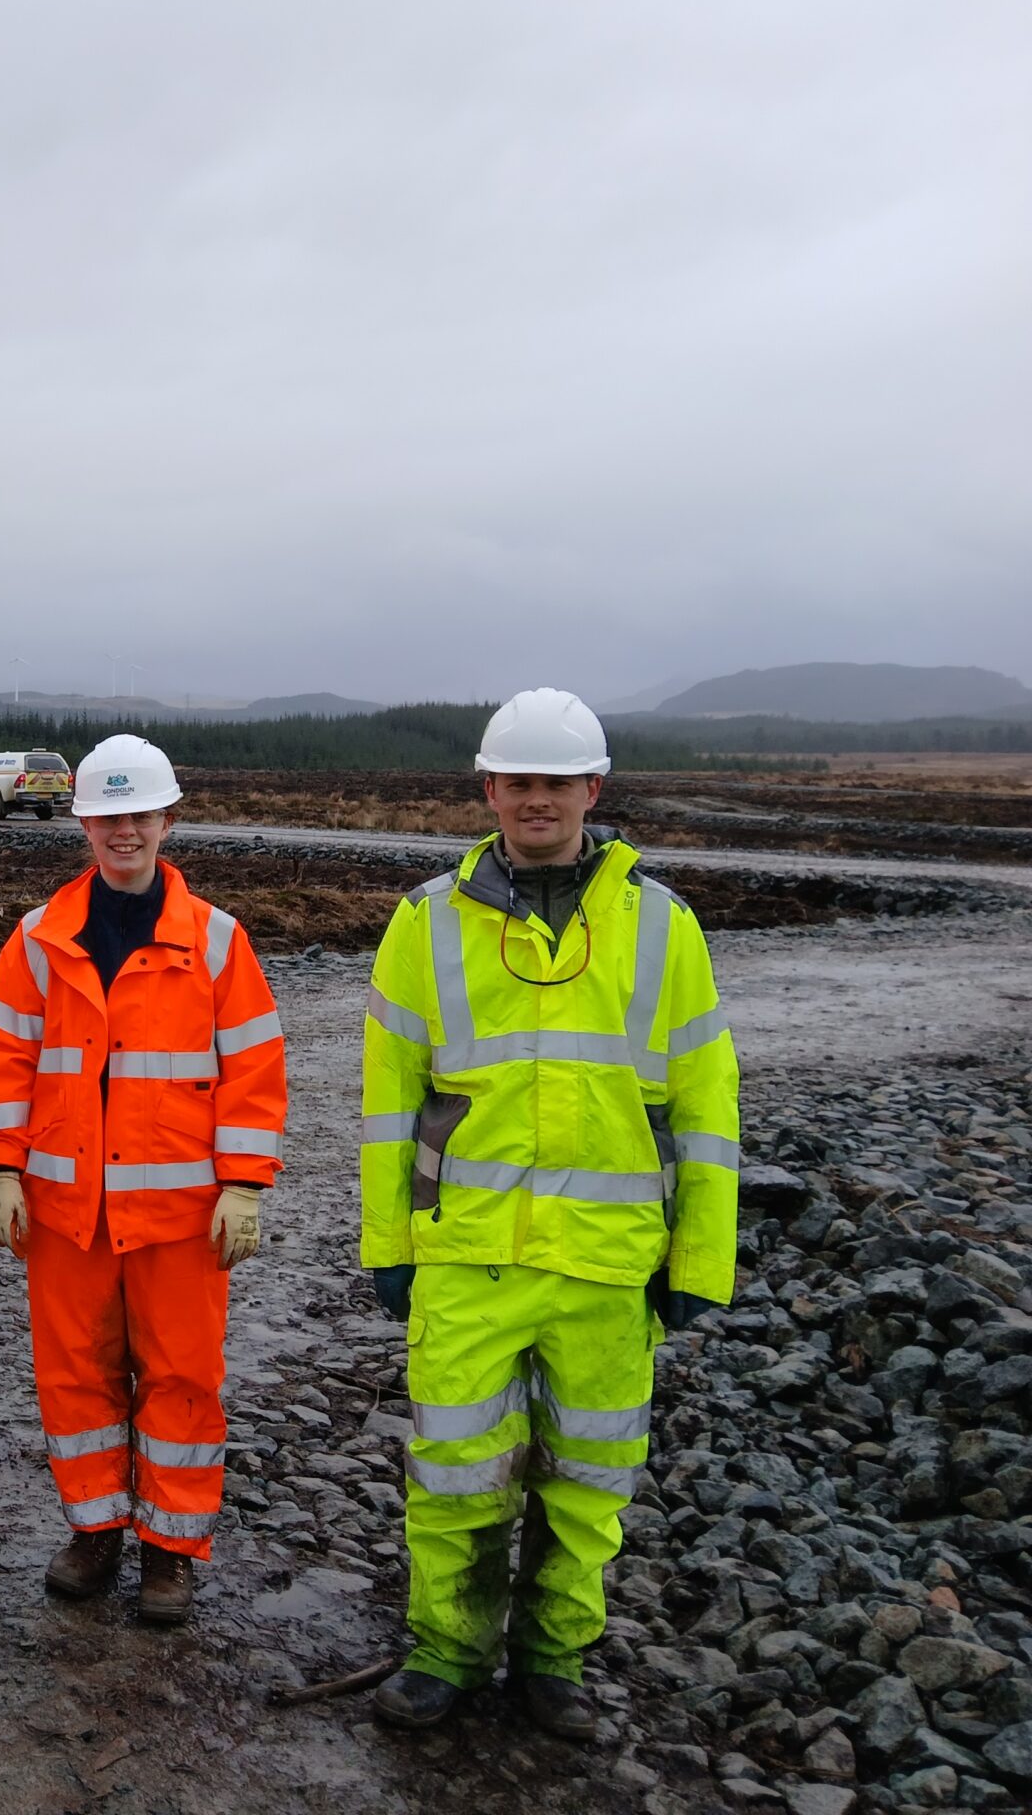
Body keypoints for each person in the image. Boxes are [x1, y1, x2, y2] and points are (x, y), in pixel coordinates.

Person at [361, 688, 739, 1739]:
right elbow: (388, 1106)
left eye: (555, 782)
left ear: (592, 789)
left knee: (586, 1481)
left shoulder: (661, 926)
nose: (537, 800)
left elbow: (707, 1111)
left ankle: (553, 1663)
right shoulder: (425, 923)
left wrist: (700, 1262)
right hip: (469, 1258)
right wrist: (387, 1244)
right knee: (455, 1474)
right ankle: (447, 1651)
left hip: (609, 1268)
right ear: (488, 789)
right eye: (518, 781)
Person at [0, 734, 286, 1622]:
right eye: (108, 818)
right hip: (66, 1210)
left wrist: (244, 1184)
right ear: (84, 826)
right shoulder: (39, 940)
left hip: (181, 1215)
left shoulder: (218, 943)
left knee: (183, 1375)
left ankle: (171, 1551)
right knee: (74, 1374)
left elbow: (254, 1070)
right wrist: (2, 1171)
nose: (124, 833)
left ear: (167, 821)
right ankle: (96, 1529)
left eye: (139, 815)